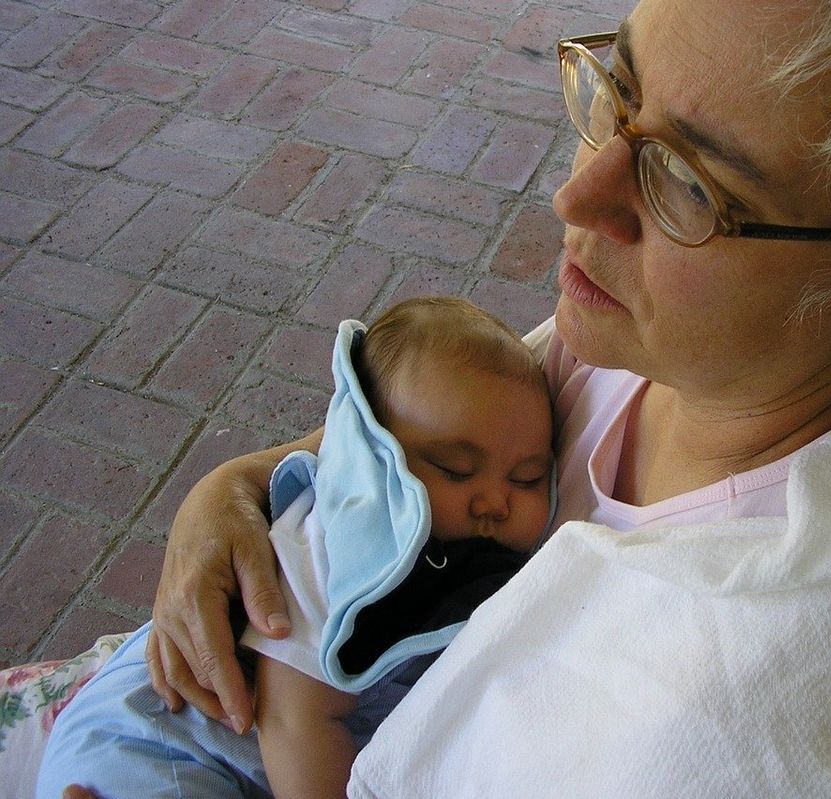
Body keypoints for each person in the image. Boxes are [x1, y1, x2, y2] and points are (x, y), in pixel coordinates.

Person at [26, 0, 831, 795]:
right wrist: (229, 491)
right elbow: (401, 456)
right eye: (622, 88)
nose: (578, 187)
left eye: (692, 184)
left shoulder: (768, 725)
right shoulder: (659, 359)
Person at [36, 297, 555, 799]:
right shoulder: (339, 551)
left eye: (528, 478)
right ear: (374, 456)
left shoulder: (458, 533)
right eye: (454, 470)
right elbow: (293, 718)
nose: (494, 501)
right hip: (154, 739)